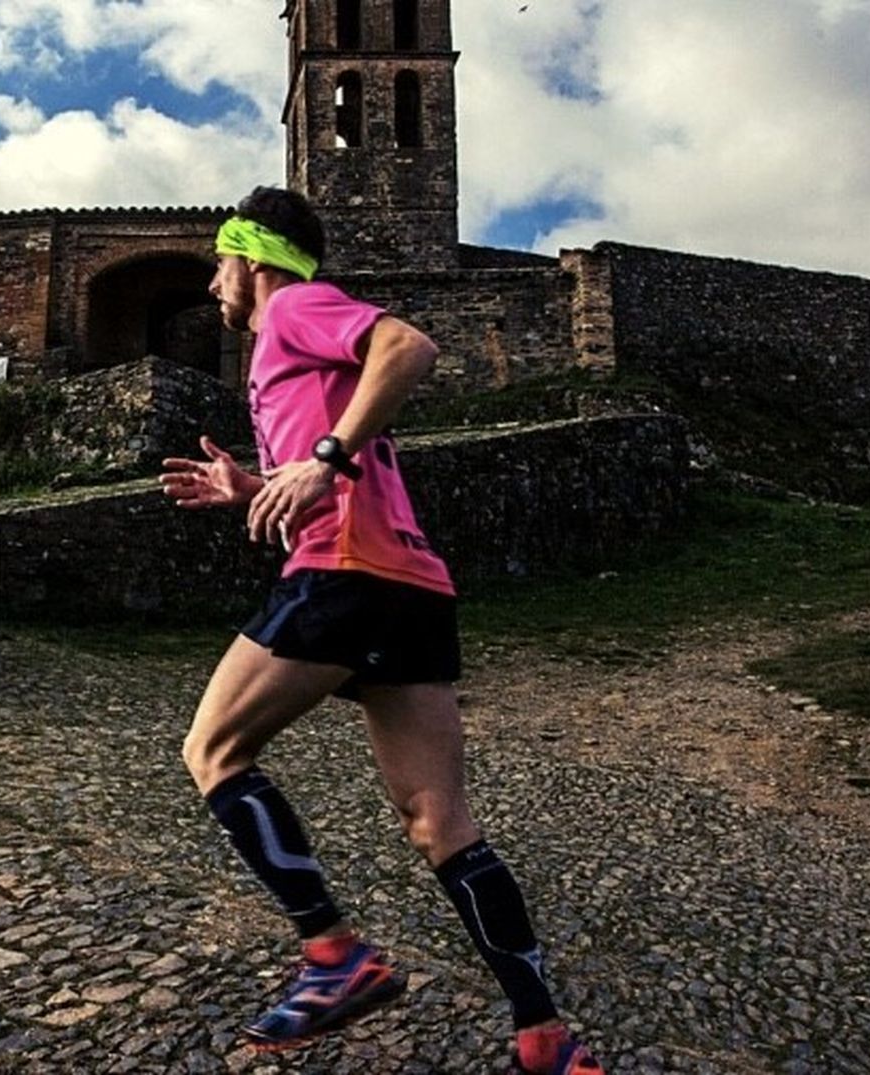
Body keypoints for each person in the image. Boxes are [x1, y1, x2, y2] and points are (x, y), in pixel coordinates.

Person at [159, 186, 605, 1075]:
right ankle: (546, 1038)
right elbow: (333, 457)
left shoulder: (293, 309)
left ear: (253, 256)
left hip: (344, 570)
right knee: (441, 823)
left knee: (212, 749)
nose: (213, 285)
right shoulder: (289, 347)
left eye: (219, 263)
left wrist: (322, 462)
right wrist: (258, 487)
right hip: (410, 583)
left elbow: (409, 346)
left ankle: (333, 954)